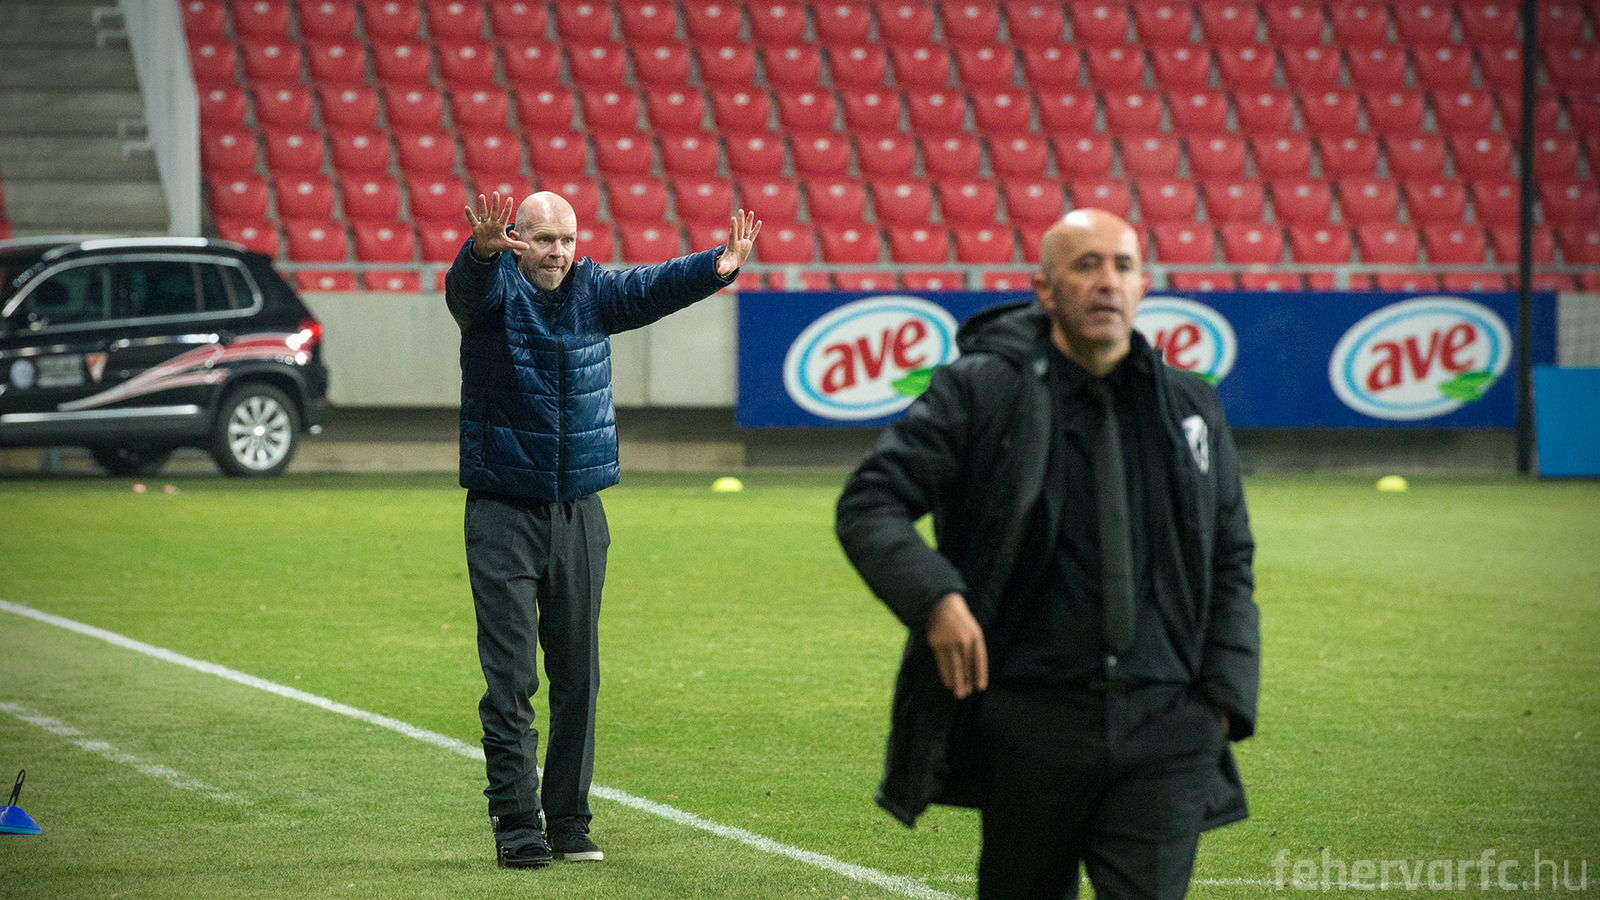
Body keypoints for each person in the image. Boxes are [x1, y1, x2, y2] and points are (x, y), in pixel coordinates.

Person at [835, 209, 1259, 899]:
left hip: (1167, 725)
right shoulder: (981, 391)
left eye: (1122, 266)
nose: (1107, 282)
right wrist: (937, 600)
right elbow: (870, 501)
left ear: (1143, 286)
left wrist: (1223, 700)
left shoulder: (1190, 406)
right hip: (1029, 725)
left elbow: (1231, 559)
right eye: (1086, 266)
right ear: (1045, 290)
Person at [446, 190, 760, 869]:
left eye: (567, 239)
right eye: (542, 239)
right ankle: (516, 824)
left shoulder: (592, 293)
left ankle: (567, 819)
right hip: (502, 510)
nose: (557, 252)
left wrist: (718, 265)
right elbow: (464, 293)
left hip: (580, 511)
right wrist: (478, 255)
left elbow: (651, 287)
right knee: (511, 681)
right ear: (516, 240)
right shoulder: (492, 295)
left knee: (578, 677)